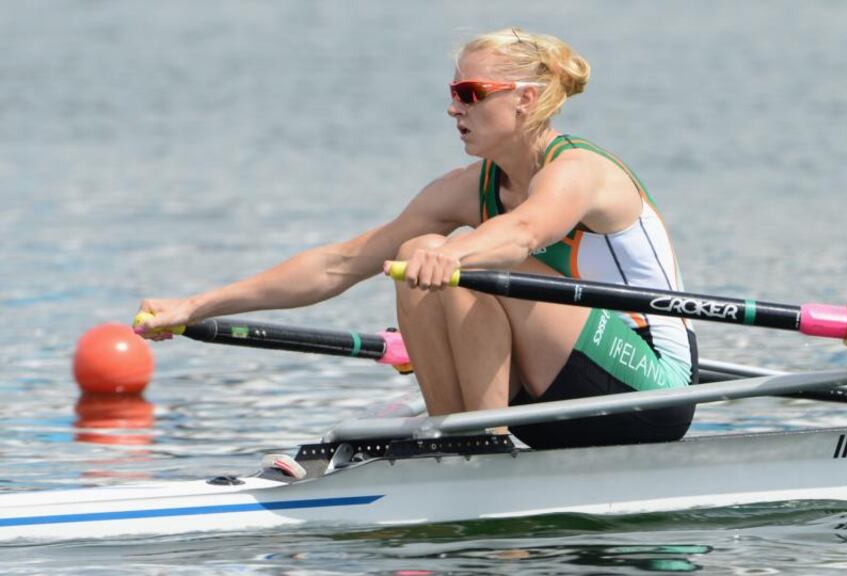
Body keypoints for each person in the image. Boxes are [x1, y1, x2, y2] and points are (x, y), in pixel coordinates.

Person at [136, 27, 698, 450]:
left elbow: (523, 232)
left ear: (525, 99)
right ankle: (456, 440)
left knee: (446, 259)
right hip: (558, 389)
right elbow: (339, 264)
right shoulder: (463, 190)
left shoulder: (579, 171)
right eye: (454, 91)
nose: (453, 106)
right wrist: (197, 305)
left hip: (653, 391)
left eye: (471, 91)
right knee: (413, 252)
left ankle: (481, 444)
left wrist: (451, 253)